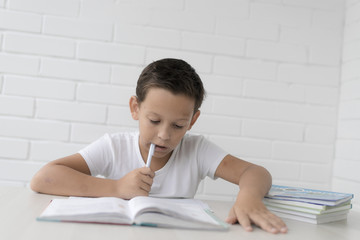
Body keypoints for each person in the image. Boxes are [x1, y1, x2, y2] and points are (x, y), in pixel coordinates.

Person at [31, 58, 287, 234]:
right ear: (135, 108)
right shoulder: (114, 146)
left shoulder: (196, 149)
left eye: (178, 125)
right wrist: (117, 187)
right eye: (154, 120)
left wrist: (249, 198)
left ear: (193, 121)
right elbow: (43, 179)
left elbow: (256, 173)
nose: (164, 135)